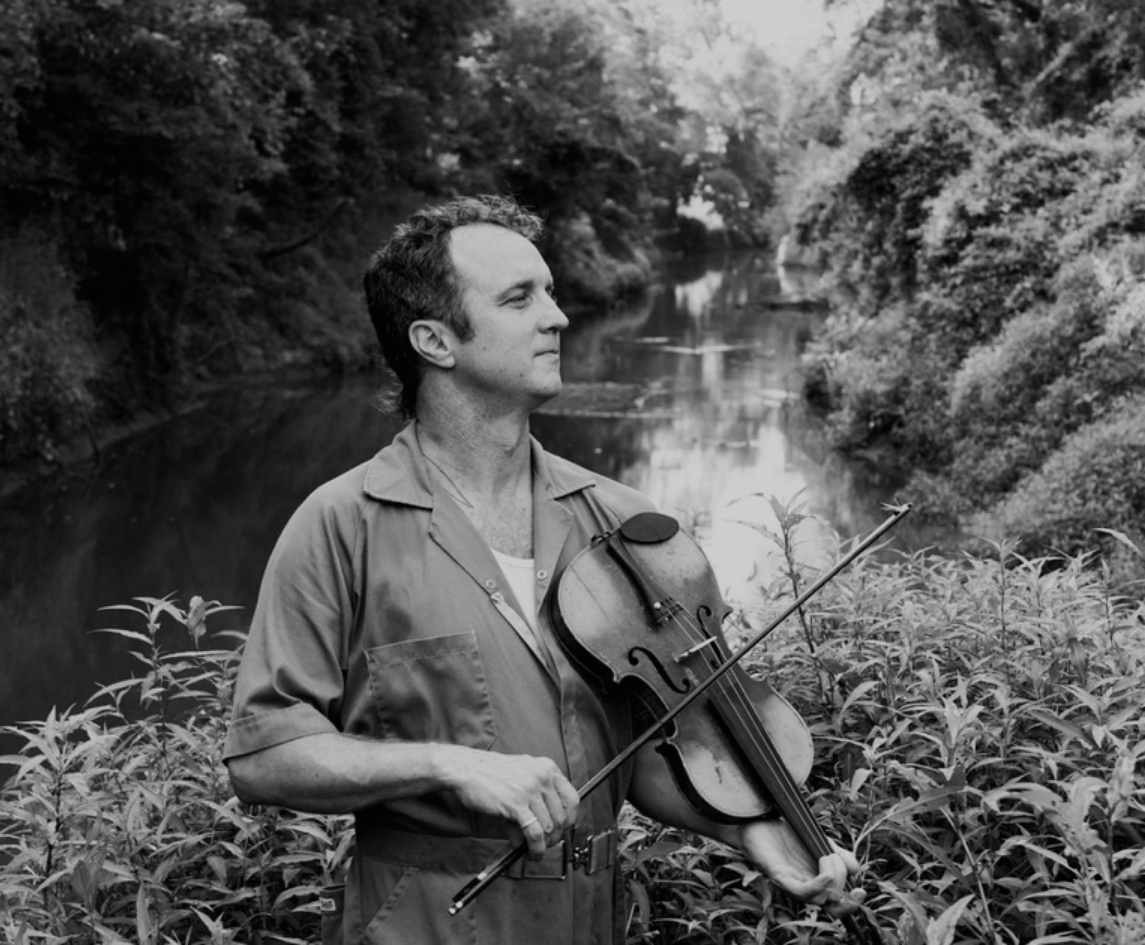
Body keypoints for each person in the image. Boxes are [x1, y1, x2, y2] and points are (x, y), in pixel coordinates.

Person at [222, 195, 859, 943]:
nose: (556, 317)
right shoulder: (340, 525)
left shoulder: (624, 525)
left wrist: (749, 831)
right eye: (520, 298)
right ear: (434, 340)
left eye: (550, 293)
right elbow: (265, 755)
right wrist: (447, 764)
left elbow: (644, 755)